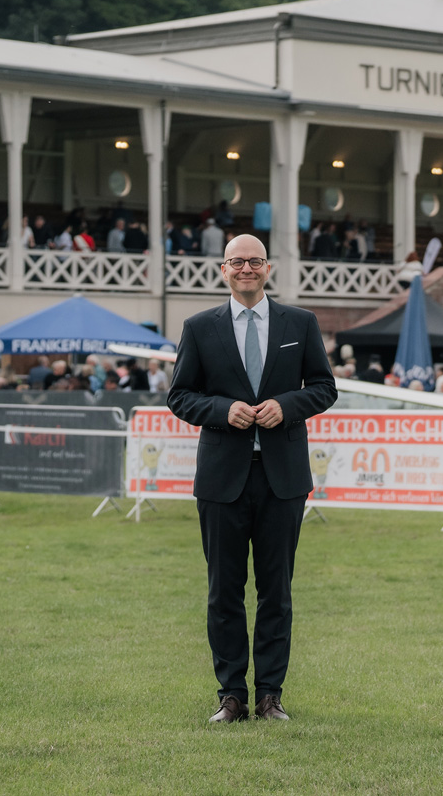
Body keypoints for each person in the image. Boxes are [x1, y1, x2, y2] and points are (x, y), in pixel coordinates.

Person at [168, 233, 337, 724]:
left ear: (268, 267)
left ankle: (270, 695)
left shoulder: (299, 323)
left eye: (255, 261)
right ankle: (230, 695)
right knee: (224, 590)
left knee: (275, 592)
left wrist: (285, 406)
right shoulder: (200, 327)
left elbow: (324, 388)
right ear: (223, 269)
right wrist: (224, 410)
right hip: (222, 480)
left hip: (282, 480)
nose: (246, 268)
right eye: (237, 262)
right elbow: (180, 396)